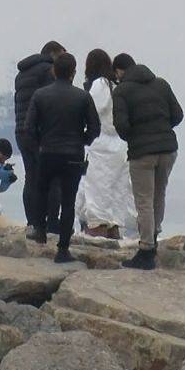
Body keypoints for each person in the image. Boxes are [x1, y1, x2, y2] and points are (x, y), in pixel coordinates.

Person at [23, 53, 101, 262]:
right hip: (73, 155)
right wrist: (82, 141)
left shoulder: (40, 95)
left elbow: (28, 128)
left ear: (53, 71)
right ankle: (63, 249)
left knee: (41, 190)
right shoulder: (83, 97)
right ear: (74, 72)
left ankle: (40, 231)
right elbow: (95, 128)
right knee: (68, 201)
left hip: (48, 152)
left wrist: (40, 144)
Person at [113, 56, 184, 270]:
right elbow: (178, 115)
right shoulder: (161, 84)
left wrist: (137, 135)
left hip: (142, 152)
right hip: (168, 149)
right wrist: (161, 129)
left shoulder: (122, 91)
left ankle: (145, 250)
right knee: (158, 195)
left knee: (143, 200)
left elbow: (122, 127)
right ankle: (153, 238)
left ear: (119, 71)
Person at [76, 50, 137, 239]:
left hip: (102, 145)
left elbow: (90, 109)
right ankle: (114, 227)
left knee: (97, 187)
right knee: (118, 189)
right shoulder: (116, 86)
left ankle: (97, 227)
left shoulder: (99, 84)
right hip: (120, 145)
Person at [15, 41, 66, 234]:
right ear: (53, 53)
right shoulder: (48, 71)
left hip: (21, 131)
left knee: (31, 177)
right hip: (42, 132)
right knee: (53, 178)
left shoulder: (21, 74)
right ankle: (52, 223)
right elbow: (53, 101)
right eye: (62, 55)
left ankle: (32, 222)